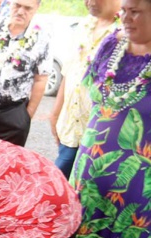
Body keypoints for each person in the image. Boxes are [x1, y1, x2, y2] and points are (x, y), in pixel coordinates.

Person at [46, 0, 151, 238]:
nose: (126, 16)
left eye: (136, 10)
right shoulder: (111, 43)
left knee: (122, 236)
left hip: (136, 179)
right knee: (84, 226)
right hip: (90, 165)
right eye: (125, 9)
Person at [49, 0, 121, 179]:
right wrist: (55, 113)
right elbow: (68, 71)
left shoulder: (127, 34)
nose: (88, 2)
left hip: (101, 136)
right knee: (60, 187)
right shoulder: (84, 25)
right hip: (71, 129)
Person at [0, 0, 52, 147]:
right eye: (17, 5)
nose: (20, 11)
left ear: (36, 8)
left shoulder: (41, 39)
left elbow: (40, 79)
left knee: (9, 164)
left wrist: (26, 115)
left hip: (14, 112)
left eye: (27, 8)